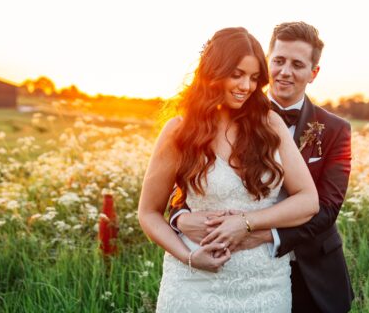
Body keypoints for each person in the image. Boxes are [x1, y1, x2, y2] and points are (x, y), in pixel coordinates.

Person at [171, 21, 354, 312]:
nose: (285, 71)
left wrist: (258, 232)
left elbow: (327, 208)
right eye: (278, 61)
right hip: (229, 266)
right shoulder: (226, 118)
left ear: (313, 73)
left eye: (297, 64)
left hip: (311, 270)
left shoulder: (335, 130)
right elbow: (193, 184)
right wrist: (179, 218)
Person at [137, 27, 319, 312]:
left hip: (264, 286)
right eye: (237, 74)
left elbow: (308, 201)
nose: (246, 86)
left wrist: (246, 222)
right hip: (192, 283)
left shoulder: (270, 125)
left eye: (254, 77)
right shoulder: (179, 131)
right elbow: (148, 212)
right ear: (213, 72)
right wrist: (188, 256)